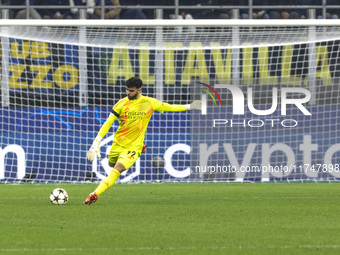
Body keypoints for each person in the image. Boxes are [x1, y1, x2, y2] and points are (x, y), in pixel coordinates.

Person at [84, 77, 201, 205]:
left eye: (131, 91)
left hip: (133, 147)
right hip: (117, 144)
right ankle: (139, 149)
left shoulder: (149, 103)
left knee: (117, 169)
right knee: (112, 165)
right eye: (127, 90)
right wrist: (96, 142)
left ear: (139, 90)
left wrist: (190, 106)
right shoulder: (121, 104)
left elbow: (169, 107)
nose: (128, 93)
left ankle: (94, 194)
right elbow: (108, 123)